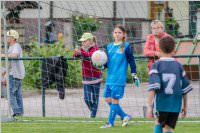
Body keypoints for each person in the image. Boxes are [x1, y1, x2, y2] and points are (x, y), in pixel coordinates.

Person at [146, 36, 193, 133]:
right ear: (173, 51)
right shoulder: (179, 66)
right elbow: (185, 89)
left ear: (159, 49)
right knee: (163, 125)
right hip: (175, 104)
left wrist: (149, 106)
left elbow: (153, 88)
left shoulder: (156, 65)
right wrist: (185, 106)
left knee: (160, 123)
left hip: (161, 103)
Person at [100, 24, 140, 128]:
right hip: (110, 78)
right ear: (113, 34)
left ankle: (110, 123)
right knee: (107, 99)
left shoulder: (126, 46)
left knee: (114, 100)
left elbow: (131, 61)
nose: (117, 34)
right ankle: (125, 116)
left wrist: (134, 75)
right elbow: (106, 63)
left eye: (119, 32)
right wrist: (101, 66)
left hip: (119, 79)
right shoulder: (108, 46)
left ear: (123, 35)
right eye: (115, 32)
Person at [73, 32, 102, 118]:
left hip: (96, 77)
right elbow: (75, 56)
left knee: (95, 98)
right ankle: (92, 111)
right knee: (87, 98)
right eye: (82, 41)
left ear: (90, 41)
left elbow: (92, 55)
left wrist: (81, 53)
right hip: (86, 77)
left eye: (84, 41)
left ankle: (93, 115)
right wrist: (76, 53)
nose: (82, 43)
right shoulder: (82, 49)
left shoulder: (95, 48)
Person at [1, 29, 25, 117]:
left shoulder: (16, 46)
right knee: (17, 94)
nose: (6, 38)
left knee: (9, 93)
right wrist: (5, 72)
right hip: (13, 73)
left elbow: (15, 55)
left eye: (8, 36)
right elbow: (10, 62)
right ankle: (20, 112)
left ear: (13, 38)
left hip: (15, 74)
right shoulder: (11, 47)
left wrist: (3, 55)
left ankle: (17, 111)